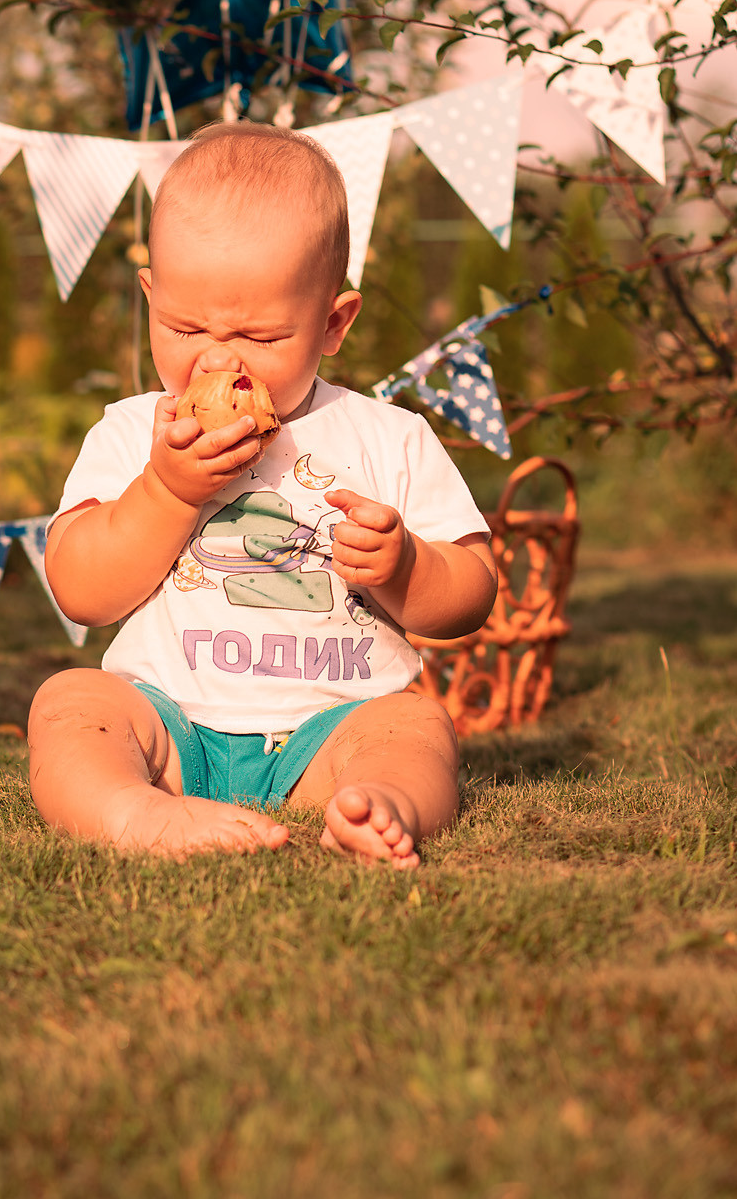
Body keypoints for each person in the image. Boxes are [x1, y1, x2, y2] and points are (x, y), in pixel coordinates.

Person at [29, 123, 497, 867]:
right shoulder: (130, 435)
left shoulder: (388, 437)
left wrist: (406, 567)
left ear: (333, 322)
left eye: (261, 336)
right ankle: (133, 811)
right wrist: (166, 490)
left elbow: (471, 595)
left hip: (333, 729)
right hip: (167, 723)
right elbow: (81, 590)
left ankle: (376, 806)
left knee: (413, 729)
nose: (217, 356)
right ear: (149, 298)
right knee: (70, 703)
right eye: (183, 326)